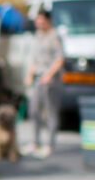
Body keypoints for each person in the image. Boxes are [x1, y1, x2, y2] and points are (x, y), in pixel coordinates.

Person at [23, 10, 65, 158]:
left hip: (51, 80)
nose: (39, 24)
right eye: (37, 21)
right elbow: (34, 59)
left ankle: (50, 144)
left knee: (50, 112)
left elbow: (59, 59)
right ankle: (35, 142)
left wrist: (49, 75)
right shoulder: (38, 36)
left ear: (48, 21)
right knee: (33, 110)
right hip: (38, 78)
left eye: (41, 21)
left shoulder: (54, 36)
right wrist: (29, 75)